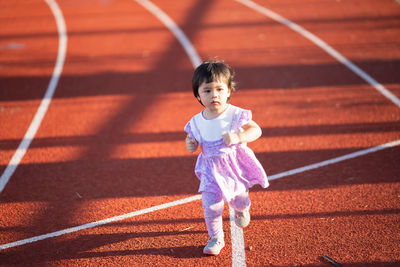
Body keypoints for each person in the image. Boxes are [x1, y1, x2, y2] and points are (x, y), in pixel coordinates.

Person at [184, 60, 269, 256]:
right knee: (211, 206)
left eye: (219, 89)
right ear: (198, 95)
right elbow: (192, 139)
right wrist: (191, 144)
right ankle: (215, 236)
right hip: (210, 170)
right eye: (207, 91)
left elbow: (256, 130)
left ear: (229, 91)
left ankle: (242, 208)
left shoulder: (235, 114)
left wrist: (239, 137)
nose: (214, 95)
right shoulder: (196, 121)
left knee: (239, 199)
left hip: (233, 167)